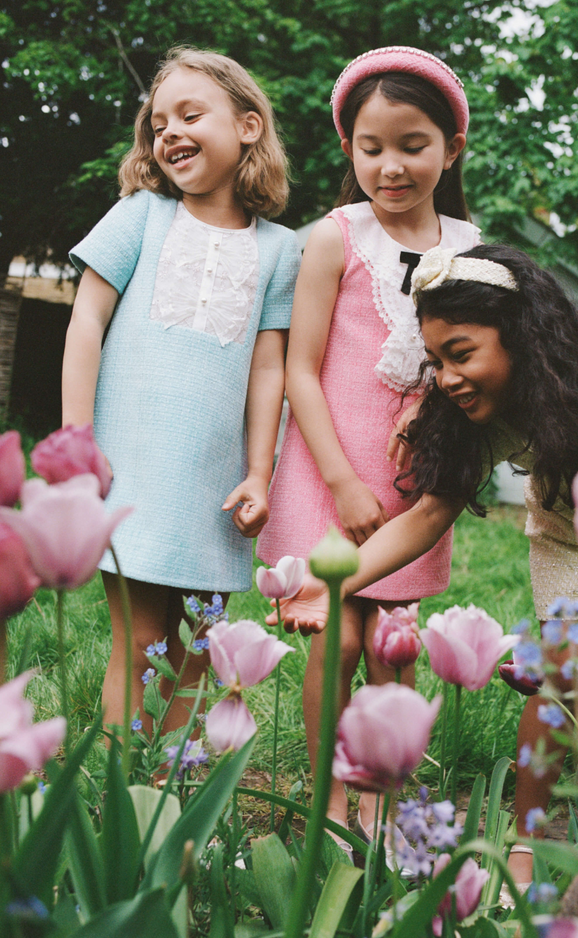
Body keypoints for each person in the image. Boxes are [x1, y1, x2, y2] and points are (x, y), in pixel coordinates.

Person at [272, 243, 578, 881]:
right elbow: (426, 517)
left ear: (522, 335)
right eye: (436, 361)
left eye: (460, 354)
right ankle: (524, 844)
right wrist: (331, 585)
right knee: (563, 674)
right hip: (570, 542)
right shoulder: (491, 419)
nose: (447, 377)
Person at [256, 46, 480, 852]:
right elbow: (301, 372)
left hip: (414, 483)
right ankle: (329, 797)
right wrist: (344, 482)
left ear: (451, 148)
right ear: (348, 147)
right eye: (371, 146)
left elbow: (470, 357)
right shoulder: (334, 236)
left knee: (393, 646)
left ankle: (387, 798)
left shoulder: (470, 244)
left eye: (412, 145)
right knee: (343, 638)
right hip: (331, 475)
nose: (391, 166)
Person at [62, 47, 300, 736]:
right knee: (139, 644)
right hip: (131, 472)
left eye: (190, 115)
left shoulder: (282, 251)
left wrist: (260, 471)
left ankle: (176, 799)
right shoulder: (141, 216)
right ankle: (124, 798)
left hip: (216, 490)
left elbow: (267, 370)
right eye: (156, 123)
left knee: (199, 653)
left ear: (249, 127)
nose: (168, 133)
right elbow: (85, 323)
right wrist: (78, 440)